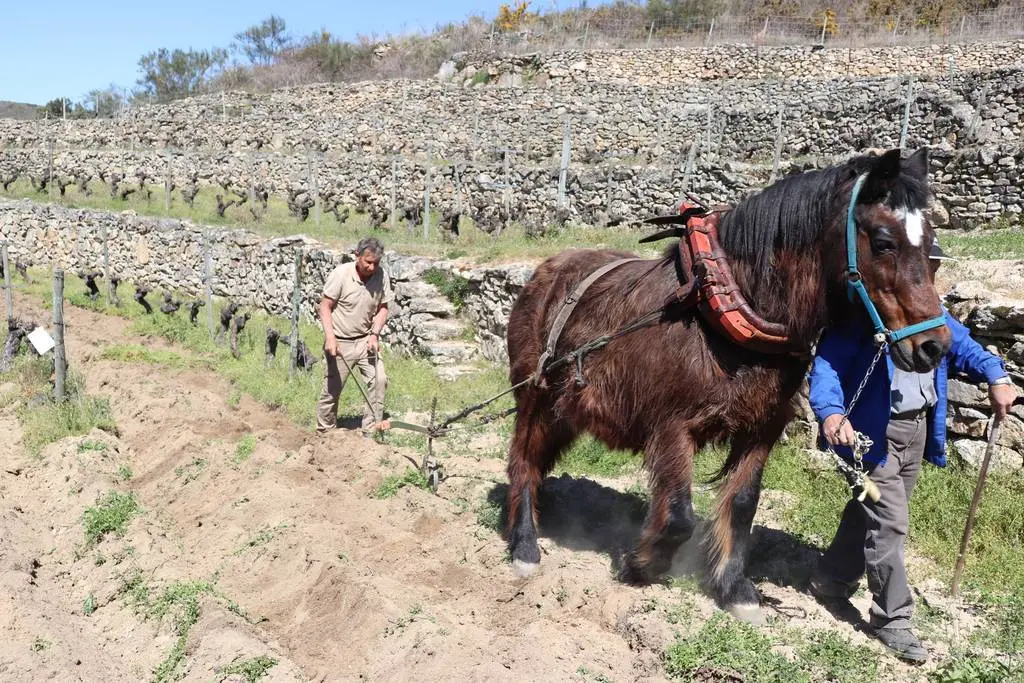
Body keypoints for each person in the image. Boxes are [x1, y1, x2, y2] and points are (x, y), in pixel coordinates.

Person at [807, 239, 1017, 663]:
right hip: (871, 437)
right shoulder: (863, 316)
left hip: (915, 430)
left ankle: (831, 578)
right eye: (924, 265)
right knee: (890, 521)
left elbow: (964, 347)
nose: (927, 274)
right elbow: (827, 367)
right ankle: (893, 619)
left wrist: (996, 375)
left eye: (933, 266)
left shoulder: (932, 313)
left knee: (869, 509)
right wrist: (830, 412)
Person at [316, 237, 394, 434]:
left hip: (366, 339)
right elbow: (325, 306)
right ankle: (325, 432)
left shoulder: (381, 276)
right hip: (340, 341)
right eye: (368, 262)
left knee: (379, 380)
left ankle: (371, 430)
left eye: (376, 263)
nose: (372, 267)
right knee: (332, 390)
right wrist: (330, 338)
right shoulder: (341, 274)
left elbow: (383, 307)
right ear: (357, 256)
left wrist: (374, 334)